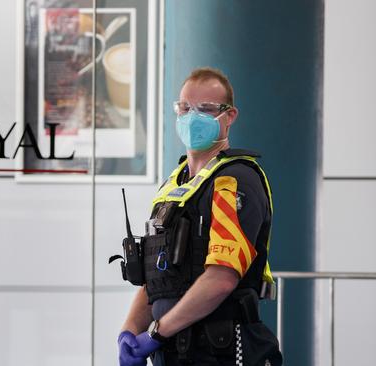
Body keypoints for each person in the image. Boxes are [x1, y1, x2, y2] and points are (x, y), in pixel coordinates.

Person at [116, 67, 282, 366]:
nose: (192, 117)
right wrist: (130, 330)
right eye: (185, 108)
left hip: (222, 350)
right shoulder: (173, 186)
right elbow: (157, 278)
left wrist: (155, 333)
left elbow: (221, 278)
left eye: (206, 109)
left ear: (229, 116)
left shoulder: (234, 180)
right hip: (174, 351)